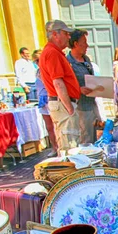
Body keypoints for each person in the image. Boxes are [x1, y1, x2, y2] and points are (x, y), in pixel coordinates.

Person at [39, 20, 81, 151]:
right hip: (62, 104)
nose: (68, 37)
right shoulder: (52, 53)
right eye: (66, 33)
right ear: (54, 34)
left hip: (61, 103)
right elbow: (57, 82)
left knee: (69, 143)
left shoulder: (53, 52)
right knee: (70, 146)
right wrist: (69, 108)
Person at [67, 29, 99, 145]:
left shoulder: (86, 59)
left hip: (92, 103)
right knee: (85, 139)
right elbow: (64, 85)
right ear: (75, 44)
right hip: (81, 107)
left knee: (95, 135)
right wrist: (79, 89)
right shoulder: (68, 62)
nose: (87, 45)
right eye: (84, 42)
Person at [33, 53, 58, 156]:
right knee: (49, 127)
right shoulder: (37, 72)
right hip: (43, 101)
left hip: (51, 99)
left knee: (57, 126)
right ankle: (54, 148)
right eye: (36, 61)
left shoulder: (49, 70)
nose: (38, 62)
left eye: (40, 60)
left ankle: (60, 147)